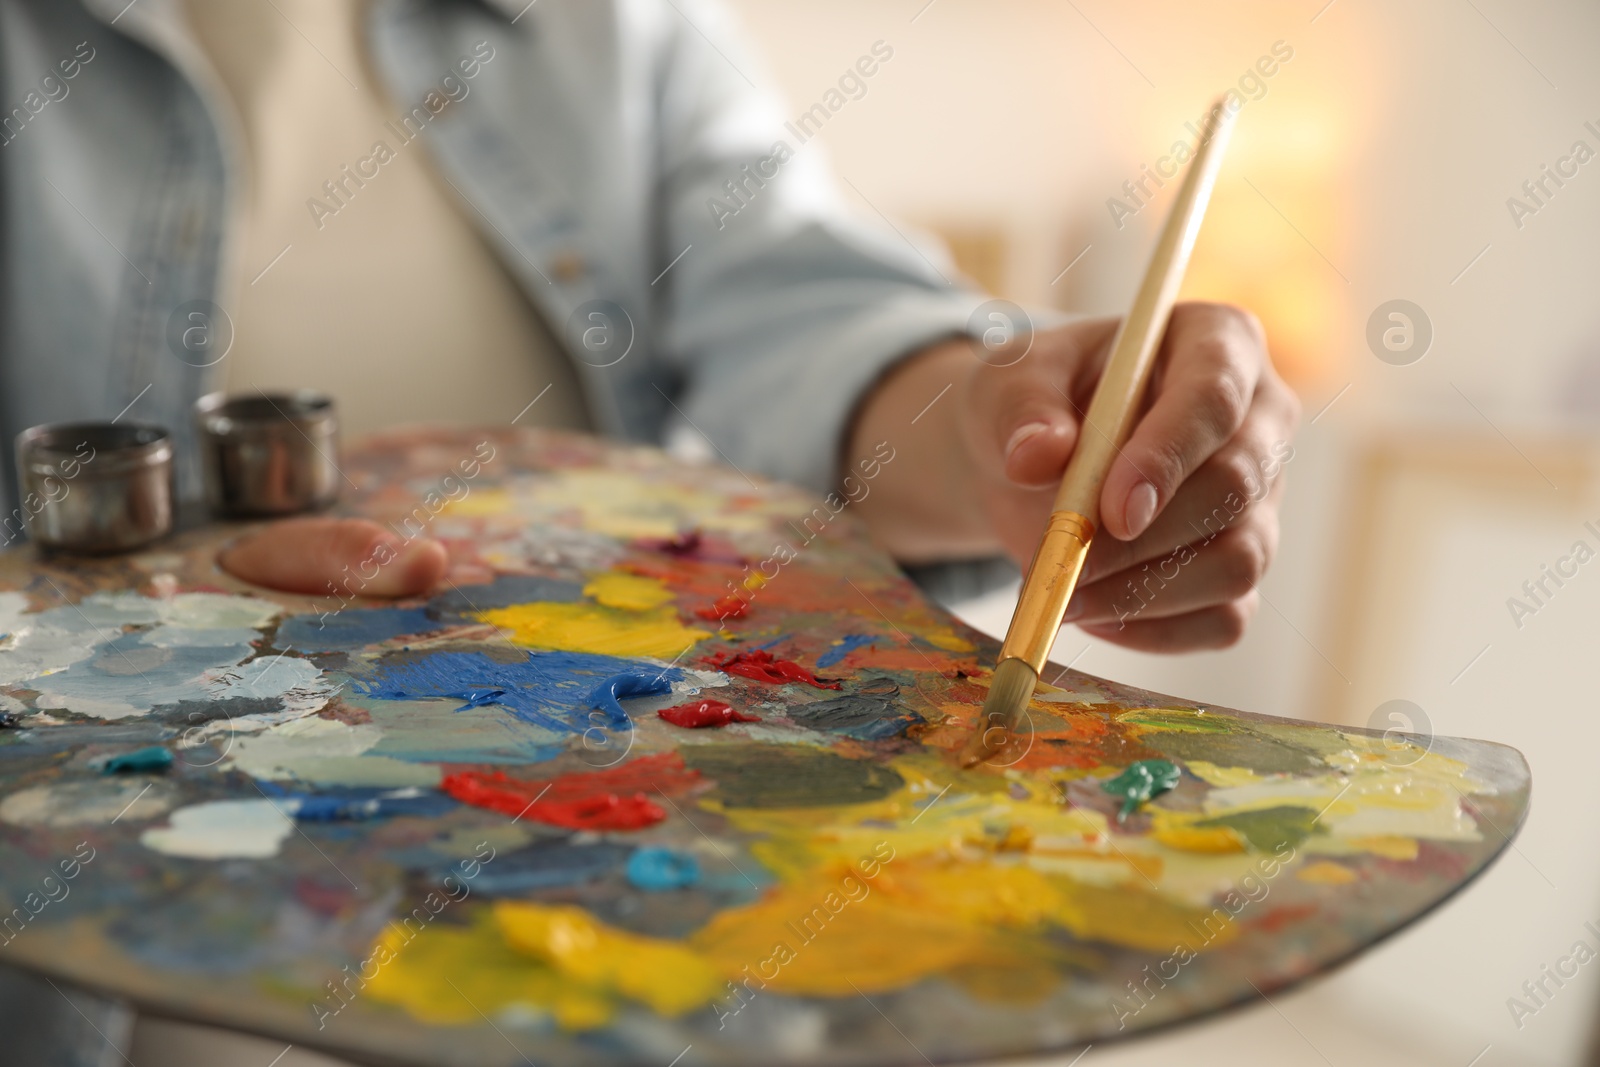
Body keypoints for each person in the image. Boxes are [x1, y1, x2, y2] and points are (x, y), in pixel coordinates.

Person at [0, 0, 1298, 1062]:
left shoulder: (620, 31)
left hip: (600, 958)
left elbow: (799, 310)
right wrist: (111, 614)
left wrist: (998, 434)